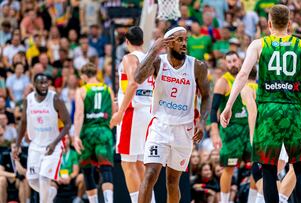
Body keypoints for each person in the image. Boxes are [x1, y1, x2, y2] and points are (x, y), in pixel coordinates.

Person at [220, 5, 301, 203]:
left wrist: (229, 105)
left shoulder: (259, 44)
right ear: (289, 24)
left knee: (268, 169)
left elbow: (242, 75)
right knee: (300, 167)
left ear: (269, 23)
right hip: (294, 111)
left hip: (267, 111)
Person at [134, 26, 211, 203]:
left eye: (185, 40)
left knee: (172, 181)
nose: (184, 44)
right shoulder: (158, 62)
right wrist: (154, 49)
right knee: (150, 174)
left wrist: (203, 122)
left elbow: (207, 96)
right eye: (179, 40)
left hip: (184, 130)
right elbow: (137, 78)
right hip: (160, 126)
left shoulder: (197, 66)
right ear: (168, 43)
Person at [110, 26, 155, 203]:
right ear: (142, 41)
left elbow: (133, 83)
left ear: (126, 42)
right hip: (147, 112)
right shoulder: (151, 59)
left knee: (127, 163)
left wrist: (120, 112)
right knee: (139, 163)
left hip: (133, 112)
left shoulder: (129, 58)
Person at [13, 73, 71, 203]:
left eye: (46, 83)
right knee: (32, 180)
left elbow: (68, 123)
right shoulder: (28, 100)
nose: (44, 86)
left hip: (53, 146)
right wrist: (17, 145)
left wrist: (55, 143)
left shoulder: (55, 99)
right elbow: (23, 122)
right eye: (41, 83)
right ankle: (51, 193)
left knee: (44, 178)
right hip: (35, 145)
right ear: (34, 85)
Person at [210, 51, 257, 203]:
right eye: (228, 61)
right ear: (225, 64)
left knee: (255, 166)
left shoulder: (249, 78)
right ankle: (225, 201)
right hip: (231, 130)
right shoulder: (223, 82)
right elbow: (213, 109)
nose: (232, 64)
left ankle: (252, 199)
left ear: (240, 60)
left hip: (249, 127)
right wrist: (215, 132)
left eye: (234, 60)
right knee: (229, 168)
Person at [73, 63, 116, 203]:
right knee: (106, 169)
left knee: (87, 169)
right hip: (103, 131)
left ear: (84, 76)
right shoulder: (107, 89)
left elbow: (79, 114)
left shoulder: (82, 90)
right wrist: (107, 127)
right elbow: (114, 112)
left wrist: (76, 136)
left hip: (88, 133)